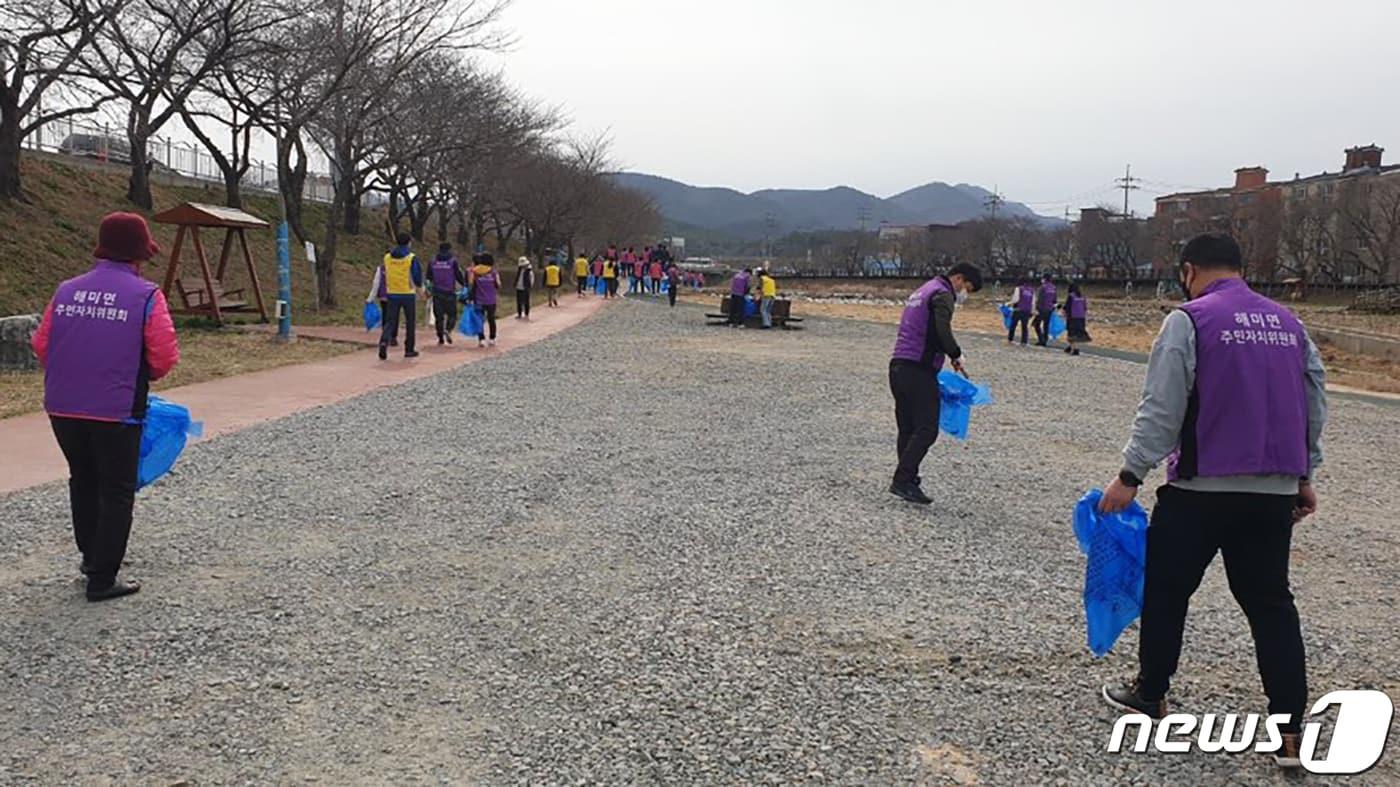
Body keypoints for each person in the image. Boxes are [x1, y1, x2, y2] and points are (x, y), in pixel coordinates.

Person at [1097, 233, 1327, 771]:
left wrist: (1131, 473)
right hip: (1271, 493)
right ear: (1243, 270)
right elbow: (1314, 399)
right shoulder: (1290, 324)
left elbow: (1162, 405)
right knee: (1270, 604)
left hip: (1201, 490)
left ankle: (1151, 693)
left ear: (1189, 270)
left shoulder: (1191, 320)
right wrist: (1304, 474)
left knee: (1168, 592)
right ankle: (1290, 732)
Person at [29, 212, 180, 601]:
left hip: (62, 407)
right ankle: (102, 578)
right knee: (116, 489)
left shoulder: (66, 291)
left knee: (82, 478)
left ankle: (89, 556)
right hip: (117, 409)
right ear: (138, 254)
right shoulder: (146, 296)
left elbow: (42, 345)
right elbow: (163, 357)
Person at [887, 263, 983, 505]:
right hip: (918, 369)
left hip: (898, 364)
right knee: (927, 428)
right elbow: (941, 329)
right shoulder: (942, 294)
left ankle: (908, 479)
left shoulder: (923, 290)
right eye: (967, 288)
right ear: (959, 279)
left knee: (908, 428)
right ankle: (903, 479)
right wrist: (955, 353)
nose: (964, 295)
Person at [378, 232, 423, 360]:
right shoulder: (411, 258)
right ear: (409, 242)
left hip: (392, 292)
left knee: (390, 321)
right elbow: (417, 277)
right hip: (408, 293)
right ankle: (409, 349)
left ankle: (384, 341)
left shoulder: (387, 257)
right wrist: (420, 288)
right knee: (410, 322)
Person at [427, 242, 464, 345]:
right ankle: (448, 330)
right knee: (452, 314)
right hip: (449, 292)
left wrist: (428, 289)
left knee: (439, 317)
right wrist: (464, 285)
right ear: (449, 249)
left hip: (437, 292)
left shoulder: (433, 262)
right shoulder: (453, 261)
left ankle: (440, 338)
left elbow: (428, 277)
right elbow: (458, 275)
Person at [468, 251, 501, 347]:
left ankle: (481, 339)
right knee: (491, 319)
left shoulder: (475, 271)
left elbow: (470, 283)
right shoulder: (493, 272)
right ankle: (492, 338)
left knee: (479, 320)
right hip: (491, 300)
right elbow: (498, 285)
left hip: (479, 300)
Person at [1062, 283, 1090, 356]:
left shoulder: (1071, 296)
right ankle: (1071, 347)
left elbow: (1067, 307)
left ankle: (1075, 349)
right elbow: (1085, 307)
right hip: (1081, 317)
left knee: (1072, 333)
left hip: (1072, 317)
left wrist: (1064, 314)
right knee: (1077, 333)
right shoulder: (1082, 296)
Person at [1005, 277, 1033, 345]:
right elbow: (1033, 301)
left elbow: (1016, 299)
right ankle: (1024, 341)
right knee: (1024, 326)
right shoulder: (1031, 290)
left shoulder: (1019, 288)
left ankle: (1010, 339)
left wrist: (1008, 304)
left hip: (1018, 309)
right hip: (1027, 310)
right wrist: (1032, 310)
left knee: (1013, 325)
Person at [1032, 274, 1058, 347]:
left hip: (1042, 309)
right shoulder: (1053, 287)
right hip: (1050, 309)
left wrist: (1037, 308)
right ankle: (1045, 339)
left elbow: (1039, 299)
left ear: (1044, 279)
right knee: (1046, 325)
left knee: (1036, 324)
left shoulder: (1042, 287)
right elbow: (1055, 300)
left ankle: (1041, 339)